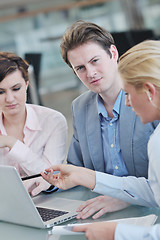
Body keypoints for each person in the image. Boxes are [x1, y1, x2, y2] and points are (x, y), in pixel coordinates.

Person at [41, 40, 160, 239]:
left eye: (128, 93)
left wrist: (117, 233)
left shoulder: (156, 137)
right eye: (80, 68)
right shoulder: (80, 107)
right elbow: (154, 191)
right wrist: (83, 176)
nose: (127, 102)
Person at [59, 20, 158, 219]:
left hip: (149, 211)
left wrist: (125, 197)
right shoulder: (80, 108)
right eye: (80, 68)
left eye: (95, 61)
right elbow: (77, 169)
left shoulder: (148, 101)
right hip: (100, 210)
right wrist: (50, 182)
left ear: (113, 53)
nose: (90, 73)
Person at [0, 52, 68, 196]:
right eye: (1, 92)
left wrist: (12, 143)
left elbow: (51, 178)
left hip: (44, 201)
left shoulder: (53, 121)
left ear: (26, 84)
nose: (10, 99)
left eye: (16, 88)